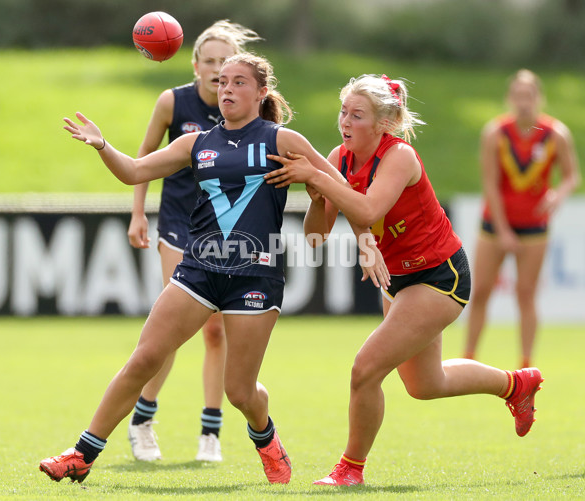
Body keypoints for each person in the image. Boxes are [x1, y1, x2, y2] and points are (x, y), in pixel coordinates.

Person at [39, 53, 386, 486]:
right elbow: (133, 172)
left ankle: (266, 438)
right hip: (197, 271)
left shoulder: (283, 141)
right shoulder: (195, 143)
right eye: (222, 82)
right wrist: (103, 146)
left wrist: (363, 237)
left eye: (239, 82)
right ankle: (83, 453)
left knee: (239, 391)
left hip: (255, 277)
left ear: (261, 93)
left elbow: (342, 186)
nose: (226, 90)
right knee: (145, 357)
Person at [263, 74, 544, 486]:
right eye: (344, 111)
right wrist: (317, 192)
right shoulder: (338, 158)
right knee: (426, 385)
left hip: (438, 276)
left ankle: (350, 469)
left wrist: (322, 180)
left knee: (365, 369)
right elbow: (315, 237)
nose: (345, 120)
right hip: (397, 280)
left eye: (357, 115)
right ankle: (516, 385)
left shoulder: (400, 156)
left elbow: (369, 205)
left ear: (384, 123)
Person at [126, 19, 261, 464]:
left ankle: (210, 431)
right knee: (171, 331)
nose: (217, 69)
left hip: (226, 232)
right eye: (209, 61)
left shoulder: (247, 108)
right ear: (195, 63)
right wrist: (137, 213)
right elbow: (143, 159)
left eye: (226, 62)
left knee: (217, 330)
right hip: (180, 224)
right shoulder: (173, 101)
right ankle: (143, 420)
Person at [463, 69, 580, 368]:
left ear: (539, 98)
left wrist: (558, 193)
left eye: (529, 95)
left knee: (526, 294)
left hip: (534, 227)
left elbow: (572, 176)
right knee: (481, 292)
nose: (524, 102)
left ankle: (526, 363)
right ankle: (469, 358)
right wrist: (503, 231)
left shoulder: (556, 134)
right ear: (510, 99)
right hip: (494, 226)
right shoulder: (496, 133)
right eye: (518, 95)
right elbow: (490, 183)